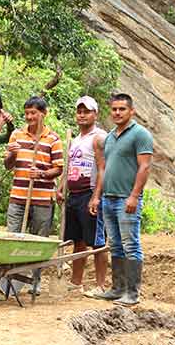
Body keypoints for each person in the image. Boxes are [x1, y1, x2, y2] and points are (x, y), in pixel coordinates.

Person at [95, 93, 153, 306]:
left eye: (122, 109)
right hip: (109, 199)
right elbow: (105, 168)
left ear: (131, 111)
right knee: (116, 246)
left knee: (131, 245)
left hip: (126, 199)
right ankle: (117, 289)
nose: (117, 113)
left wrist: (134, 196)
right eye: (114, 109)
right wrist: (99, 196)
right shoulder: (110, 136)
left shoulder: (140, 134)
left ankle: (132, 293)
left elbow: (145, 166)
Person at [4, 96, 63, 295]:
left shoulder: (53, 139)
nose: (29, 117)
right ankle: (11, 279)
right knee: (13, 237)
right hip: (18, 196)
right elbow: (8, 165)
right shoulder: (17, 136)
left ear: (43, 114)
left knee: (38, 241)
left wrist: (42, 174)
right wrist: (11, 154)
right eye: (27, 113)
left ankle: (35, 281)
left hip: (42, 198)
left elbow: (58, 169)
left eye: (33, 113)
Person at [56, 96, 108, 297]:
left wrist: (96, 197)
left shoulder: (99, 137)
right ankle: (76, 282)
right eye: (79, 111)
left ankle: (101, 285)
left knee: (97, 241)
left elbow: (103, 168)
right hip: (74, 195)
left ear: (95, 114)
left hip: (89, 193)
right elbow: (70, 167)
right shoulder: (75, 140)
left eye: (86, 111)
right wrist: (61, 187)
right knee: (78, 240)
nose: (82, 115)